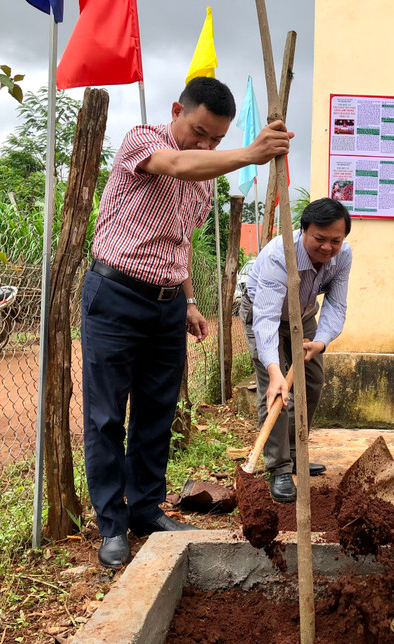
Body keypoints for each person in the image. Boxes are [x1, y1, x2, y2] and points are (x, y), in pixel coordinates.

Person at [82, 77, 292, 569]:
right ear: (177, 110)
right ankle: (112, 524)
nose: (205, 145)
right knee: (107, 416)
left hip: (166, 305)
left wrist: (190, 301)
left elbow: (178, 244)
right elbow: (176, 164)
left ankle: (148, 511)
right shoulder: (144, 140)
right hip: (115, 296)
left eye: (216, 140)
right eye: (200, 132)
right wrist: (248, 153)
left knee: (157, 412)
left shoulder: (206, 176)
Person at [241, 198, 352, 503]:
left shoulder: (343, 257)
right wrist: (275, 371)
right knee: (275, 390)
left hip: (302, 315)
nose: (327, 247)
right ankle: (278, 467)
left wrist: (322, 341)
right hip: (265, 314)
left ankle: (292, 453)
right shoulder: (280, 256)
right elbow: (266, 318)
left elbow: (335, 303)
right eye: (320, 239)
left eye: (335, 240)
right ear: (303, 230)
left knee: (312, 382)